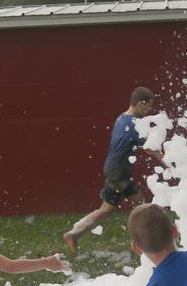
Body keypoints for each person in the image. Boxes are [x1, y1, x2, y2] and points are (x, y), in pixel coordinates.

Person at [63, 87, 164, 256]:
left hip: (115, 169)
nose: (149, 111)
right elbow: (150, 148)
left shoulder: (122, 118)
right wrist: (167, 162)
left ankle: (74, 234)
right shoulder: (133, 124)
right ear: (140, 103)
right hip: (119, 172)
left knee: (110, 208)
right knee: (139, 204)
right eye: (148, 107)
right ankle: (140, 242)